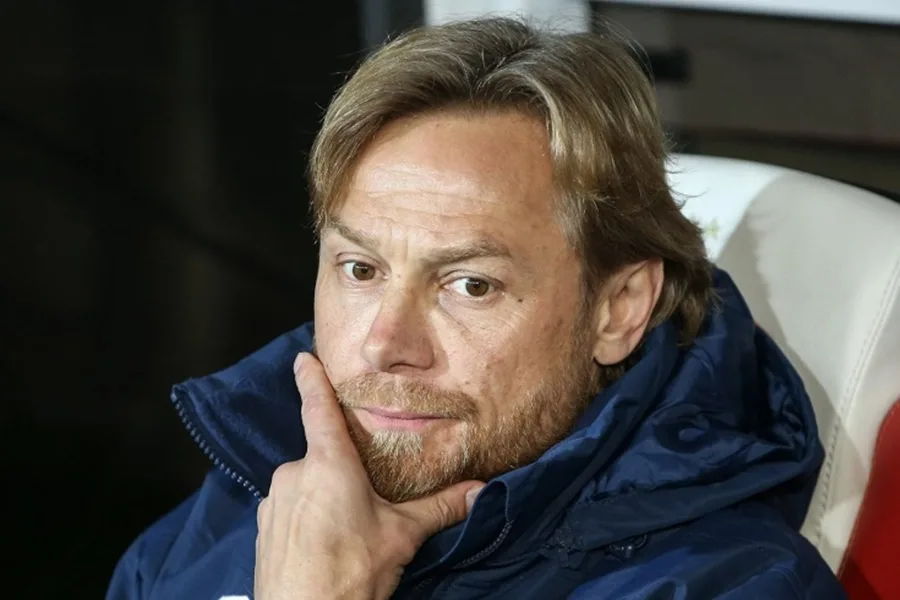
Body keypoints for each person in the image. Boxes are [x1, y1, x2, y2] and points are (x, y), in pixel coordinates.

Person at [106, 16, 847, 600]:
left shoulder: (731, 584)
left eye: (471, 285)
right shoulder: (248, 502)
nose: (385, 344)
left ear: (618, 309)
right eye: (361, 269)